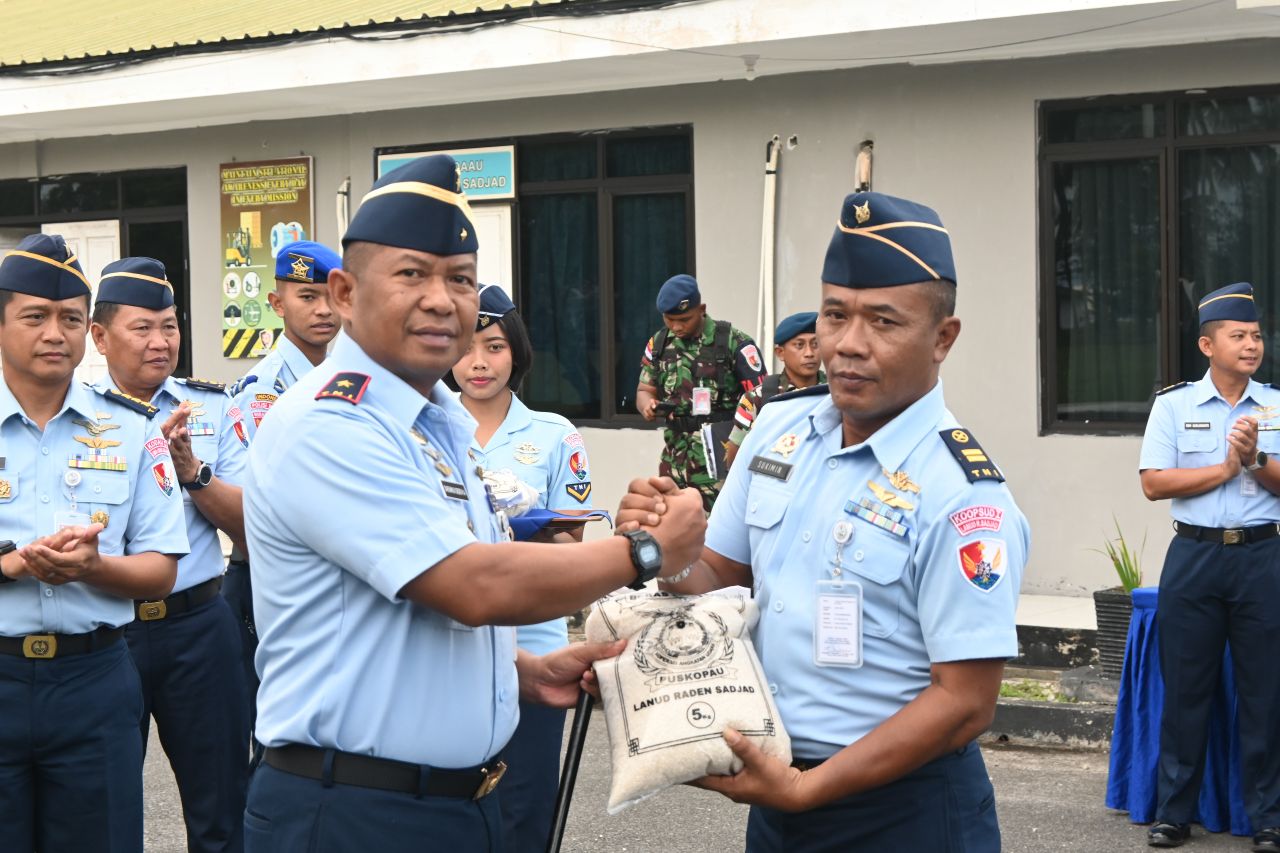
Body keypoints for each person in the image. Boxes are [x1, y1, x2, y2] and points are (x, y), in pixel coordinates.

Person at [240, 153, 705, 852]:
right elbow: (473, 583)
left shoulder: (440, 423)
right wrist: (645, 552)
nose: (440, 298)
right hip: (355, 815)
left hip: (459, 805)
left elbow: (411, 614)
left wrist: (522, 671)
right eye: (411, 274)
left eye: (458, 278)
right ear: (342, 292)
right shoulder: (327, 424)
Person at [616, 192, 1029, 853]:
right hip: (778, 796)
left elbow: (965, 703)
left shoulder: (962, 495)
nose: (847, 345)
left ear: (942, 337)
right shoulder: (779, 430)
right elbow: (719, 575)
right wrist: (657, 550)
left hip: (903, 813)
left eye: (884, 322)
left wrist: (810, 788)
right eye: (835, 315)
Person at [0, 235, 189, 852]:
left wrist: (92, 567)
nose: (55, 332)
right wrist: (12, 565)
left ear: (89, 331)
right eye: (35, 316)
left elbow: (160, 571)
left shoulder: (135, 432)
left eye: (71, 319)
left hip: (94, 680)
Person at [90, 256, 251, 853]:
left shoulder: (214, 407)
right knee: (103, 810)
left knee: (223, 806)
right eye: (143, 328)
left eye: (170, 325)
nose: (161, 343)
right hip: (111, 630)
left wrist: (192, 471)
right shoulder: (79, 417)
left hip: (198, 628)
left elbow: (252, 529)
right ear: (100, 337)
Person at [446, 283, 595, 853]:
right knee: (448, 804)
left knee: (527, 808)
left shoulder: (556, 435)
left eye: (495, 347)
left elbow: (572, 543)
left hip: (534, 641)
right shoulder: (420, 429)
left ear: (519, 353)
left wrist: (530, 516)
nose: (479, 363)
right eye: (465, 347)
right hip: (450, 637)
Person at [1138, 281, 1280, 851]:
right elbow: (1153, 483)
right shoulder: (1173, 405)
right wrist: (1224, 470)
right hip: (1194, 557)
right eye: (1238, 335)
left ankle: (1268, 818)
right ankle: (1175, 812)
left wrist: (1256, 459)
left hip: (1262, 555)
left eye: (1257, 335)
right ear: (1207, 345)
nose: (1251, 345)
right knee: (1187, 689)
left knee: (1265, 692)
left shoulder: (1274, 405)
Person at [224, 239, 341, 734]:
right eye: (306, 297)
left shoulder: (348, 379)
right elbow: (253, 504)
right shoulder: (263, 390)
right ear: (276, 304)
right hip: (273, 582)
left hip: (334, 581)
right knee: (276, 735)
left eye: (332, 297)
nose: (323, 310)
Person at [636, 274, 766, 511]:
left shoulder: (733, 342)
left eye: (684, 319)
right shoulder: (659, 344)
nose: (676, 326)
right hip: (674, 463)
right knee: (674, 533)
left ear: (702, 309)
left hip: (720, 465)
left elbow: (761, 399)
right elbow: (645, 389)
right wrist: (647, 405)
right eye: (669, 319)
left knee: (718, 537)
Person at [724, 310, 824, 469]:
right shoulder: (757, 398)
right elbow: (735, 461)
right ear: (780, 353)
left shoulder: (835, 393)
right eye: (799, 345)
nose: (809, 353)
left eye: (815, 344)